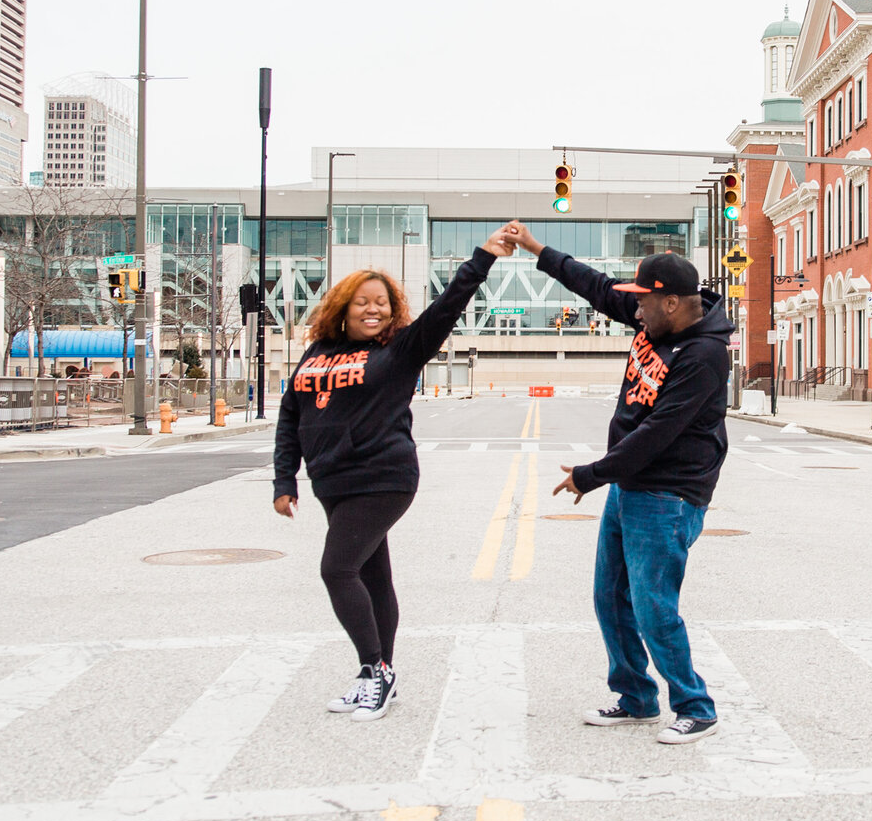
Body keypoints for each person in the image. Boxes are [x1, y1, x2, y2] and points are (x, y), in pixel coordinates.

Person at [500, 221, 730, 743]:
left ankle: (696, 705)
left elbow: (658, 433)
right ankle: (636, 697)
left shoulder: (703, 354)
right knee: (610, 597)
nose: (634, 313)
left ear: (669, 302)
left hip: (669, 493)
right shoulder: (659, 320)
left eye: (642, 304)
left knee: (653, 606)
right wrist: (537, 248)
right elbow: (597, 286)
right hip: (634, 486)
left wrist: (591, 475)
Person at [273, 230, 514, 720]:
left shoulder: (401, 349)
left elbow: (447, 306)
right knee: (371, 575)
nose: (373, 309)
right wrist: (285, 480)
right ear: (343, 306)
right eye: (362, 302)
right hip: (332, 483)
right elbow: (290, 416)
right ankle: (382, 671)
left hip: (383, 477)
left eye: (381, 302)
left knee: (336, 570)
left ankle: (372, 672)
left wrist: (482, 258)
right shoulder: (317, 350)